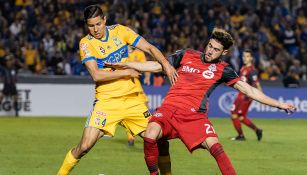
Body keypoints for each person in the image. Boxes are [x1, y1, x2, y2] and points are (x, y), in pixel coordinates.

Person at [108, 28, 296, 175]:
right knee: (150, 135)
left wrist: (279, 104)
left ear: (224, 52)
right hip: (169, 109)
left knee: (216, 147)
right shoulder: (187, 54)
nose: (210, 51)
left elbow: (249, 90)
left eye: (216, 49)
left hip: (194, 116)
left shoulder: (224, 69)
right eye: (209, 46)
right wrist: (125, 64)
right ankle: (154, 173)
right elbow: (158, 65)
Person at [56, 5, 177, 175]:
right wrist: (127, 71)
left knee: (161, 140)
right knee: (84, 146)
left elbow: (149, 47)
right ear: (86, 25)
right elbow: (96, 75)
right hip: (107, 102)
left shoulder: (120, 31)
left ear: (105, 19)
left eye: (98, 24)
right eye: (91, 26)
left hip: (132, 100)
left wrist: (166, 64)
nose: (95, 29)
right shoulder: (86, 43)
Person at [230, 50, 263, 141]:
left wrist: (261, 98)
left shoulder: (251, 71)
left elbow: (256, 84)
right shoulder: (242, 68)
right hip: (240, 94)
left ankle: (241, 136)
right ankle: (257, 130)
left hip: (246, 97)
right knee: (241, 117)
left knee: (234, 115)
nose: (245, 58)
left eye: (247, 56)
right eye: (244, 56)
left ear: (251, 58)